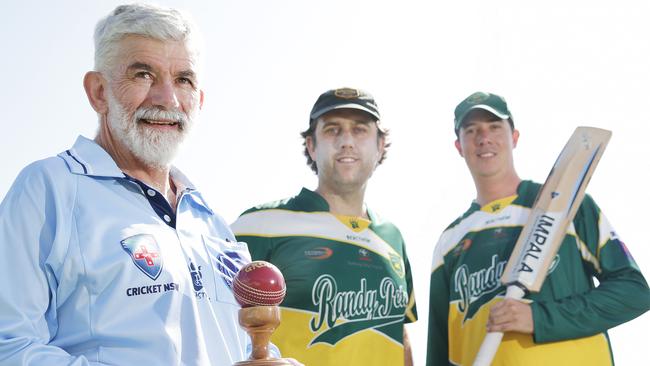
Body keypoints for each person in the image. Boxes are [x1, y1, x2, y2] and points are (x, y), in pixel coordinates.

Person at [0, 4, 253, 365]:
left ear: (199, 99)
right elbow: (10, 345)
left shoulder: (210, 220)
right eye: (144, 74)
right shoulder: (48, 189)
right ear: (98, 92)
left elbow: (238, 346)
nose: (168, 99)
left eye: (184, 79)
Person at [425, 91, 650, 365]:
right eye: (471, 130)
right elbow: (439, 348)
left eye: (495, 127)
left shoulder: (565, 205)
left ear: (514, 137)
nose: (484, 138)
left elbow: (634, 292)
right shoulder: (450, 241)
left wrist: (539, 318)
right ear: (459, 146)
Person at [231, 87, 418, 365]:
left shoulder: (392, 237)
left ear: (380, 145)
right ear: (311, 145)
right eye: (332, 130)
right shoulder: (257, 225)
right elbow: (211, 321)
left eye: (360, 130)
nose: (346, 141)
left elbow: (398, 334)